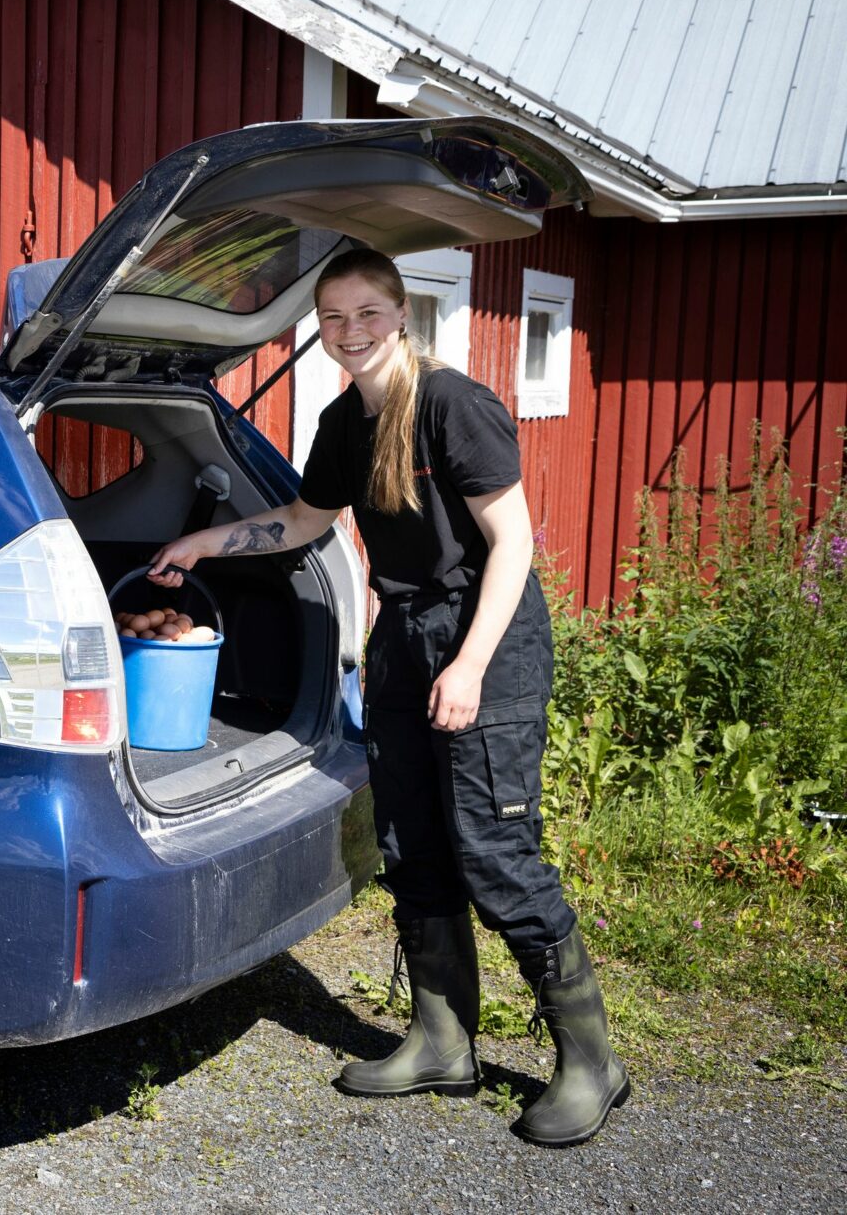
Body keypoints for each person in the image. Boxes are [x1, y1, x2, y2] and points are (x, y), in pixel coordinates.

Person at [145, 247, 627, 1147]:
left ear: (400, 315)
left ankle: (591, 1062)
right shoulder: (342, 422)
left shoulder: (451, 405)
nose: (351, 332)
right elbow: (301, 522)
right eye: (334, 318)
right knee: (409, 842)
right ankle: (443, 1042)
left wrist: (473, 663)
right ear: (319, 329)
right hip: (403, 641)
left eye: (367, 313)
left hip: (485, 636)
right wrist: (203, 546)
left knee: (495, 852)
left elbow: (513, 544)